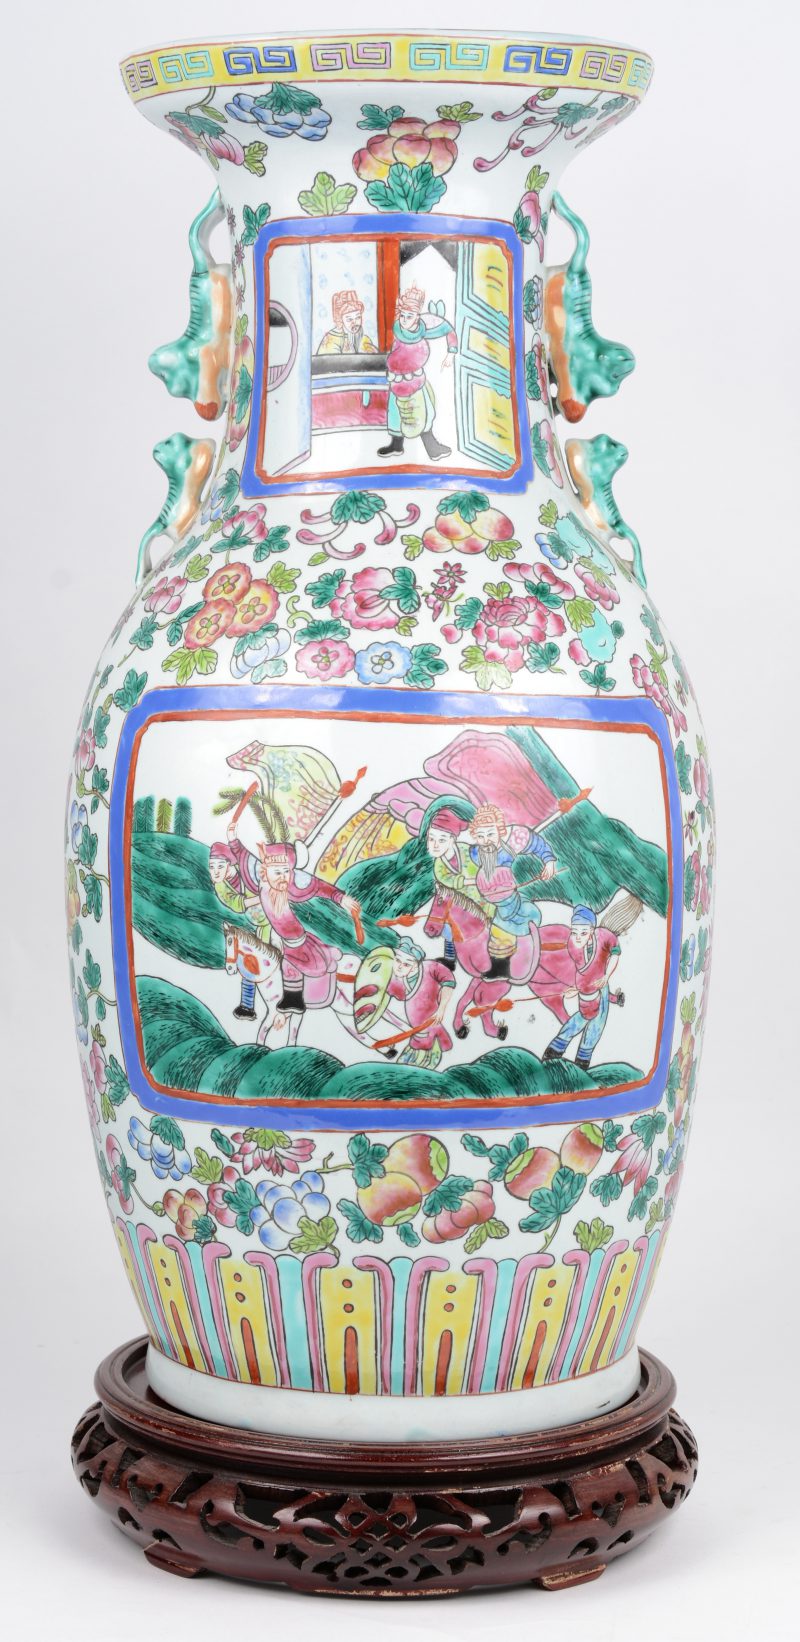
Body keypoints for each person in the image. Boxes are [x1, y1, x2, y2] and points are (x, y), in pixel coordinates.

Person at [226, 823, 362, 1021]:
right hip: (281, 940)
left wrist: (341, 898)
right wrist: (233, 839)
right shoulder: (260, 881)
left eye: (286, 872)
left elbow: (319, 886)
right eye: (277, 872)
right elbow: (244, 856)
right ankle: (290, 999)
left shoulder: (293, 884)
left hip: (297, 942)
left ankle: (295, 999)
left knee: (296, 964)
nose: (283, 877)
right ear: (264, 871)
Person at [467, 803, 557, 970]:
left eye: (490, 834)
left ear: (500, 831)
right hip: (488, 903)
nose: (486, 840)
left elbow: (537, 844)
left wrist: (549, 861)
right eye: (480, 836)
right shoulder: (474, 853)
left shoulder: (513, 842)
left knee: (508, 926)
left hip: (512, 899)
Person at [378, 286, 457, 461]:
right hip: (397, 381)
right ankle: (396, 445)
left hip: (415, 382)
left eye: (409, 316)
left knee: (423, 413)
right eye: (402, 315)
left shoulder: (423, 330)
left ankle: (432, 447)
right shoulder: (398, 330)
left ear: (417, 317)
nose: (404, 320)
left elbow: (448, 329)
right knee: (395, 414)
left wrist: (451, 353)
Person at [542, 906, 623, 1070]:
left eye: (583, 932)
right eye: (574, 932)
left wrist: (606, 976)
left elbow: (615, 953)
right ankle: (556, 1048)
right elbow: (582, 972)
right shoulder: (573, 946)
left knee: (597, 1022)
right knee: (584, 1016)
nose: (578, 937)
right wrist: (576, 988)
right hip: (585, 988)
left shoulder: (604, 936)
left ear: (592, 930)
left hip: (600, 984)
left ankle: (582, 1059)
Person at [208, 842, 269, 1019]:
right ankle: (247, 1005)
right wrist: (262, 898)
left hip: (272, 918)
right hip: (257, 922)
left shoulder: (246, 869)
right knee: (250, 961)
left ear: (230, 864)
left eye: (220, 866)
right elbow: (237, 904)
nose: (215, 872)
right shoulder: (220, 886)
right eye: (211, 867)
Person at [387, 937, 455, 1059]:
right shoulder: (395, 980)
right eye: (397, 960)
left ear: (414, 966)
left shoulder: (430, 967)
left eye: (406, 964)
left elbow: (449, 982)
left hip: (432, 1026)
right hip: (417, 1033)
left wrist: (442, 1009)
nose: (399, 967)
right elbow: (384, 1004)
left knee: (445, 1052)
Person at [317, 289, 378, 355]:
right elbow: (329, 360)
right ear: (340, 320)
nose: (355, 322)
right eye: (349, 319)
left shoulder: (364, 338)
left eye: (358, 317)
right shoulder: (331, 339)